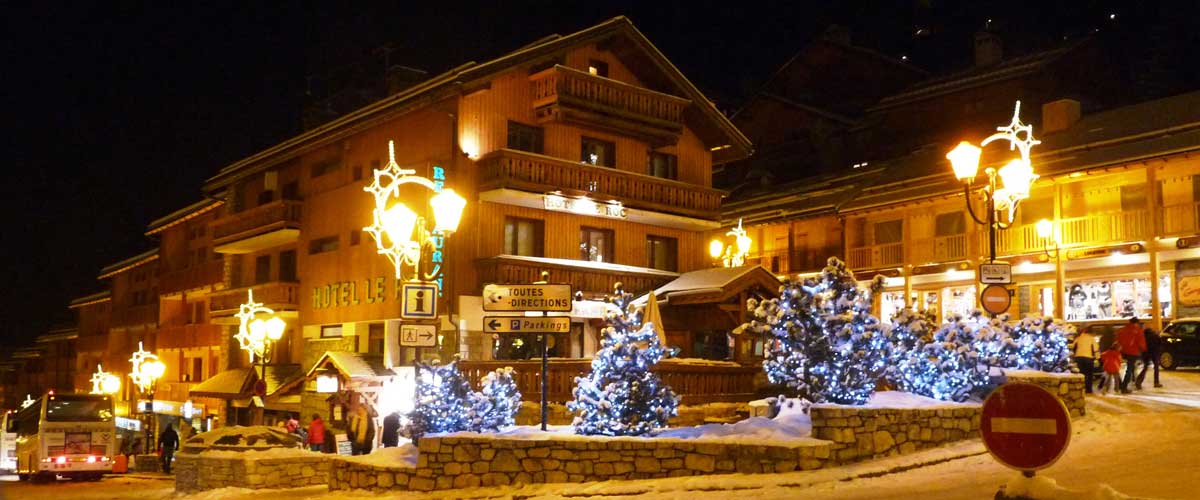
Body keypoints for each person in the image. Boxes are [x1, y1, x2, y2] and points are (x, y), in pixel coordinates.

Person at [1116, 317, 1146, 393]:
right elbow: (1141, 342)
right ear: (1136, 323)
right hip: (1133, 352)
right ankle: (1124, 387)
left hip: (1124, 352)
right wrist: (1143, 349)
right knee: (1129, 369)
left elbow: (1118, 339)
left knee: (1128, 369)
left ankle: (1122, 385)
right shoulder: (1138, 331)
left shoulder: (1123, 329)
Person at [1070, 329, 1098, 394]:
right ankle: (1089, 389)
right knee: (1089, 374)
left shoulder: (1078, 338)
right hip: (1088, 357)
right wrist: (1097, 358)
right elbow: (1095, 348)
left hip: (1078, 357)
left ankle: (1081, 388)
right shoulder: (1091, 338)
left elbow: (1073, 346)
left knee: (1081, 373)